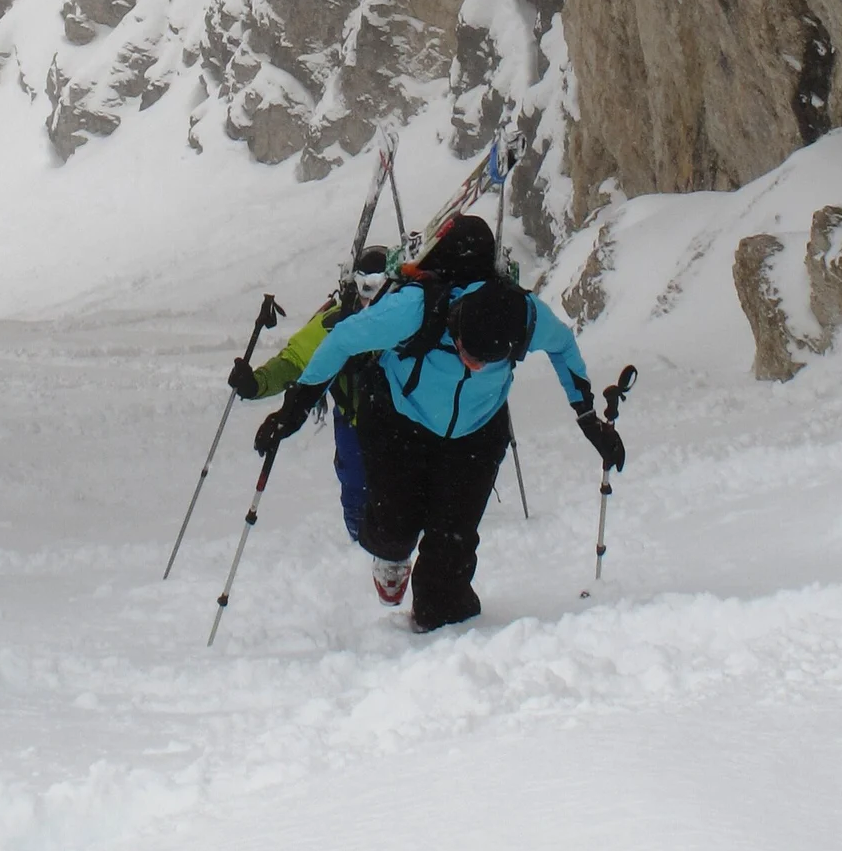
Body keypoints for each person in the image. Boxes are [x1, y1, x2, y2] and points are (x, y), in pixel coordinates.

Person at [254, 215, 625, 633]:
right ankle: (391, 551)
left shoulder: (525, 316)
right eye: (469, 354)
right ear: (455, 328)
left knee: (451, 554)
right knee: (393, 529)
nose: (477, 364)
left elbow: (564, 347)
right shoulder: (414, 309)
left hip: (477, 432)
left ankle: (446, 635)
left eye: (490, 360)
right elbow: (340, 340)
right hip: (399, 418)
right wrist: (295, 409)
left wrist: (588, 419)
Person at [227, 250, 391, 544]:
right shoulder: (335, 323)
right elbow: (294, 361)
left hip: (406, 424)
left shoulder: (408, 315)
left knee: (407, 491)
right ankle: (360, 548)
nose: (371, 301)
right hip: (355, 425)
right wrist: (256, 383)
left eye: (380, 289)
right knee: (357, 493)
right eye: (366, 289)